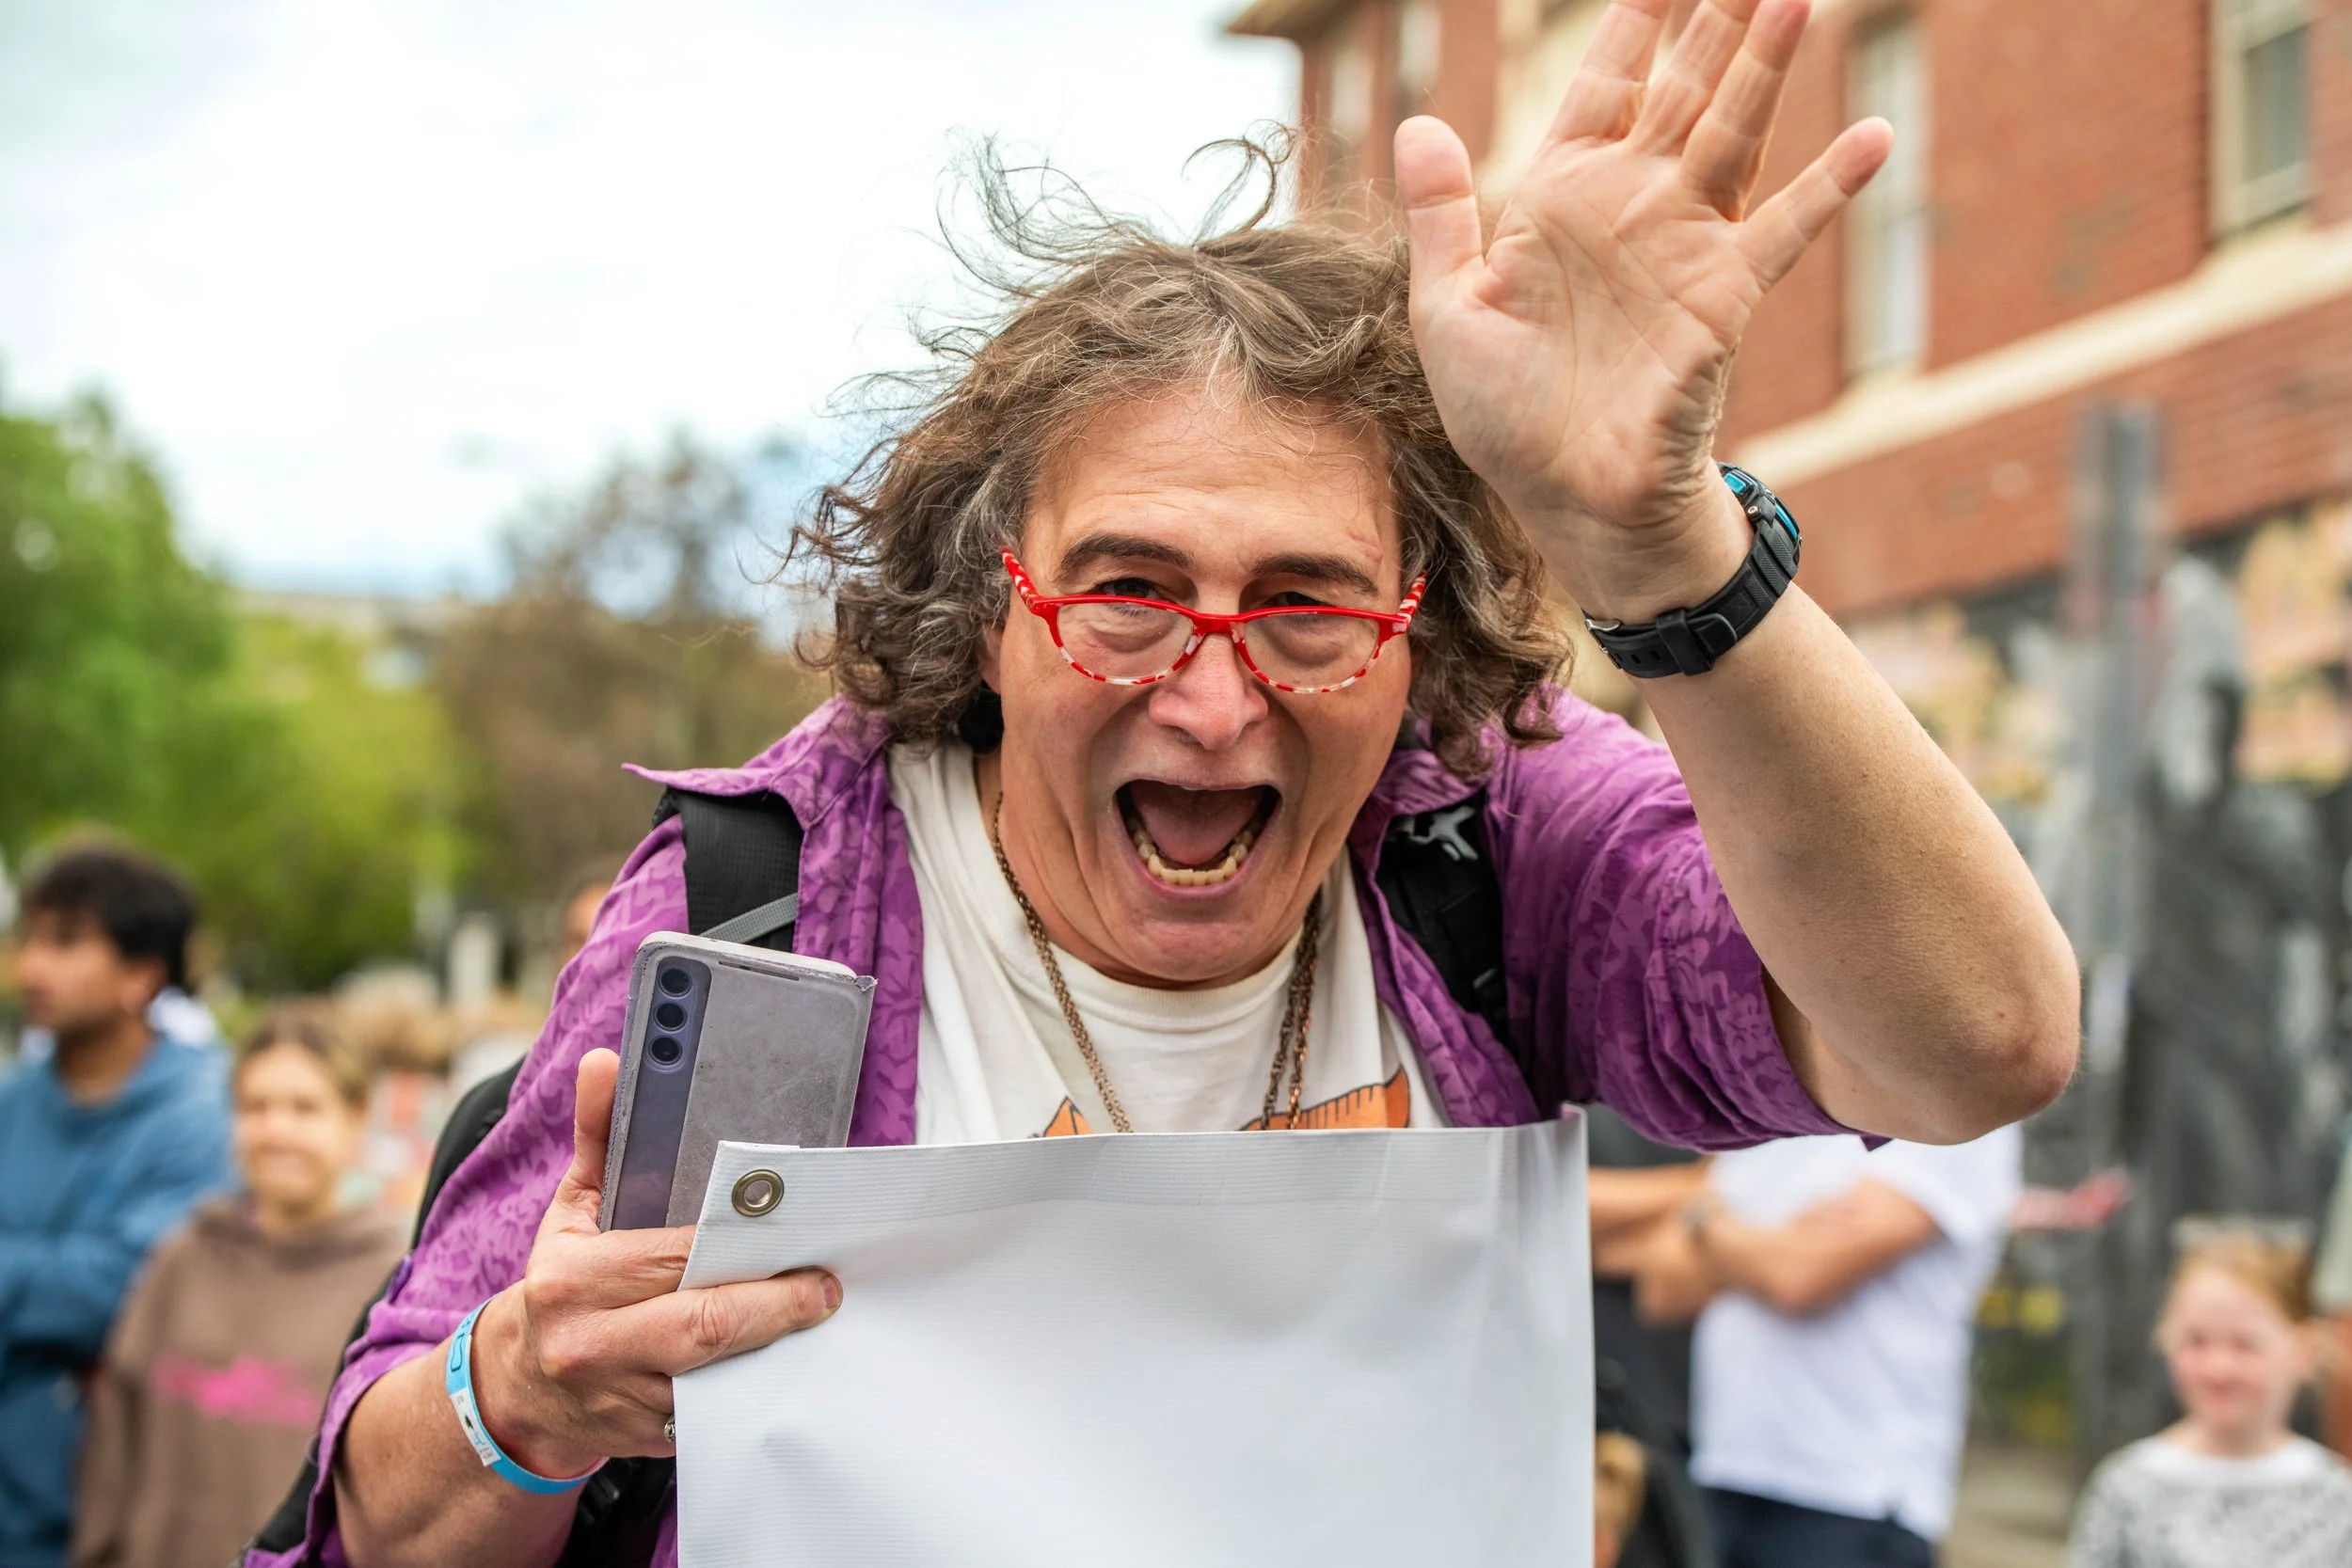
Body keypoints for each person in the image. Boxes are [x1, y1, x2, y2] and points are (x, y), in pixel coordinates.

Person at [260, 5, 2081, 1564]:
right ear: (991, 614)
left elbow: (1972, 1045)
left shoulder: (1490, 837)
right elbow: (374, 1523)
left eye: (1307, 605)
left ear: (1415, 637)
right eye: (1128, 591)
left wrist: (1660, 539)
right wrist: (525, 1390)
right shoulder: (766, 904)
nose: (1213, 701)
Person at [72, 1010, 405, 1568]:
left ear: (355, 1119)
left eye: (304, 1108)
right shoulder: (182, 1257)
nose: (277, 1130)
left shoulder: (392, 1283)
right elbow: (114, 1433)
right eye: (256, 1107)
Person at [1634, 1126, 2022, 1568]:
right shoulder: (1764, 1121)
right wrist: (1778, 1241)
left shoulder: (1950, 1117)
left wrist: (1704, 1220)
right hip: (1724, 1473)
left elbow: (1798, 1277)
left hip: (1855, 1497)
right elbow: (1663, 1289)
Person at [1, 845, 233, 1568]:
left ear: (142, 975)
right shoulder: (15, 1100)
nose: (33, 966)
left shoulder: (206, 1111)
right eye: (32, 938)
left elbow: (136, 1279)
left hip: (118, 1507)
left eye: (66, 942)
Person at [2068, 1230, 2352, 1568]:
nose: (2219, 1368)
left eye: (2245, 1345)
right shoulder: (2126, 1489)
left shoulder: (2336, 1499)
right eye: (2196, 1341)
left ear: (2307, 1350)